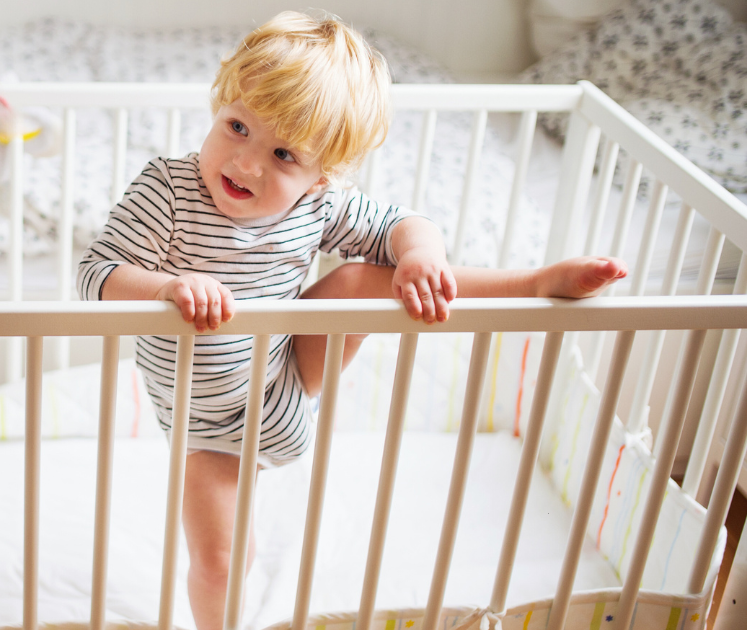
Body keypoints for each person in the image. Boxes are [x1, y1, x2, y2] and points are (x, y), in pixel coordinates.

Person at [76, 11, 626, 630]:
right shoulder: (169, 191)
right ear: (218, 105)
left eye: (284, 153)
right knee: (221, 561)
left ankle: (533, 283)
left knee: (373, 278)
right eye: (237, 127)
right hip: (206, 426)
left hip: (285, 379)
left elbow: (403, 225)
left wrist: (421, 254)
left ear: (321, 177)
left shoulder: (317, 206)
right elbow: (96, 274)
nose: (247, 163)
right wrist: (169, 286)